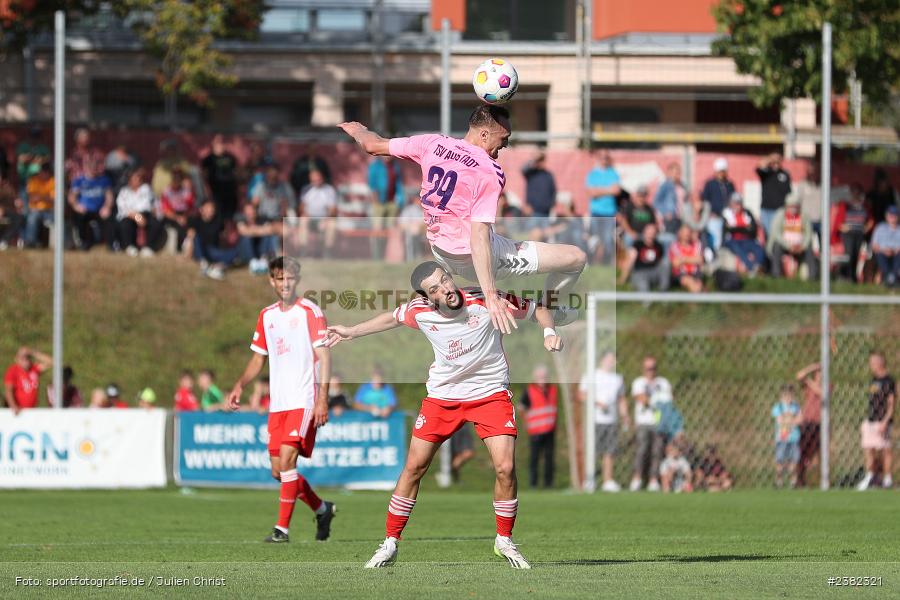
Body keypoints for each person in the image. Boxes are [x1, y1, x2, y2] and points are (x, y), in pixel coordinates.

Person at [325, 261, 564, 569]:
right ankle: (390, 542)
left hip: (490, 393)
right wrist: (351, 331)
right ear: (427, 297)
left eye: (445, 280)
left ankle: (503, 540)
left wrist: (548, 332)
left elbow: (538, 308)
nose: (446, 288)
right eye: (435, 288)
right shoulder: (419, 311)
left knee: (505, 467)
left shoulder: (486, 300)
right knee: (414, 467)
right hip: (443, 397)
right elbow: (392, 317)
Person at [339, 105, 585, 334]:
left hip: (440, 252)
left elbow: (373, 145)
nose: (505, 146)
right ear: (485, 135)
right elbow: (478, 236)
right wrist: (490, 294)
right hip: (474, 258)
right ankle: (548, 309)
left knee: (414, 309)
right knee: (575, 258)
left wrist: (358, 130)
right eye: (504, 139)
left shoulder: (432, 143)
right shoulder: (488, 170)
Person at [226, 256, 336, 542]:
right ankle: (322, 509)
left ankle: (281, 530)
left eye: (289, 278)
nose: (284, 283)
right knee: (279, 471)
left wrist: (322, 398)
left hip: (304, 399)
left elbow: (324, 355)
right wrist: (239, 384)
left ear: (296, 280)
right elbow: (257, 358)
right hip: (278, 404)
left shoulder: (310, 311)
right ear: (271, 281)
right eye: (279, 278)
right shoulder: (267, 315)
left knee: (288, 461)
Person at [578, 351, 630, 493]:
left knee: (609, 451)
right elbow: (582, 395)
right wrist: (597, 403)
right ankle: (589, 479)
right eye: (609, 359)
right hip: (595, 420)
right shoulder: (591, 375)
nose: (611, 362)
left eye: (613, 359)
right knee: (592, 450)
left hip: (611, 420)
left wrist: (625, 415)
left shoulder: (617, 378)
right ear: (602, 360)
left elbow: (621, 399)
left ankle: (608, 480)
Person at [629, 356, 673, 492]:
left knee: (657, 451)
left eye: (653, 368)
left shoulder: (663, 383)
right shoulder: (639, 382)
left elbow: (668, 400)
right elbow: (640, 397)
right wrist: (656, 401)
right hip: (643, 422)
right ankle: (637, 478)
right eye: (648, 368)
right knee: (642, 450)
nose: (650, 371)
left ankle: (654, 480)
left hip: (658, 422)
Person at [857, 351, 895, 491]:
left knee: (885, 450)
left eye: (873, 362)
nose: (871, 365)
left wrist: (885, 421)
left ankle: (887, 479)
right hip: (871, 420)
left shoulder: (888, 381)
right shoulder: (873, 380)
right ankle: (869, 477)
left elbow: (891, 403)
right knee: (868, 449)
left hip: (882, 420)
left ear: (880, 362)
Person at [520, 364, 558, 489]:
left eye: (544, 377)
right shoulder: (529, 390)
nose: (543, 379)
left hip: (550, 429)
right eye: (540, 377)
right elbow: (521, 407)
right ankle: (533, 484)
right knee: (534, 458)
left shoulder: (552, 389)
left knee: (549, 457)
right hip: (536, 430)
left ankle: (549, 483)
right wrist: (527, 422)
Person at [766, 193, 818, 280]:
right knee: (777, 247)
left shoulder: (804, 216)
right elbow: (776, 233)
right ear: (786, 206)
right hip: (785, 245)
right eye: (791, 206)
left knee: (809, 249)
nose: (793, 209)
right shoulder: (780, 215)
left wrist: (802, 246)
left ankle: (812, 276)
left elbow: (808, 233)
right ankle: (776, 275)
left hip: (800, 246)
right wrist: (788, 246)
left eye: (795, 206)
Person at [68, 158, 115, 251]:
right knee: (79, 217)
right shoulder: (79, 180)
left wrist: (107, 207)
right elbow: (72, 197)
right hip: (84, 210)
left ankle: (112, 244)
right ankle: (83, 243)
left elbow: (109, 196)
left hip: (101, 210)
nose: (93, 168)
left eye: (95, 166)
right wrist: (76, 206)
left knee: (114, 219)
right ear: (85, 167)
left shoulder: (104, 180)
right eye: (90, 166)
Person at [185, 200, 238, 281]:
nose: (211, 210)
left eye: (212, 208)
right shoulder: (194, 220)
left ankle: (215, 268)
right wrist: (189, 251)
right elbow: (190, 237)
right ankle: (204, 264)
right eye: (208, 207)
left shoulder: (218, 221)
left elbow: (222, 237)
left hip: (213, 250)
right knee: (197, 237)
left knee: (235, 252)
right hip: (199, 249)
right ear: (201, 210)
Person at [115, 167, 162, 257]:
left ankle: (148, 248)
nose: (139, 180)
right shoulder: (124, 192)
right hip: (130, 216)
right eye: (136, 178)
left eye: (139, 178)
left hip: (145, 214)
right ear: (129, 181)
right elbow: (123, 209)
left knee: (155, 223)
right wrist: (137, 217)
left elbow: (147, 205)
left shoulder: (145, 188)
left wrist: (141, 216)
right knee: (125, 224)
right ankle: (130, 247)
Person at [585, 149, 621, 263]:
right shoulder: (592, 174)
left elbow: (616, 191)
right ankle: (594, 264)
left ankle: (607, 266)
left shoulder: (613, 173)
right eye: (602, 157)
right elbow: (591, 193)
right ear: (598, 158)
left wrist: (599, 190)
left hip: (610, 212)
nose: (604, 159)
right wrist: (608, 189)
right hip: (596, 212)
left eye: (606, 157)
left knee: (607, 240)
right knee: (595, 241)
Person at [832, 183, 874, 282]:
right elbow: (838, 222)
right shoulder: (845, 205)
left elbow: (871, 220)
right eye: (854, 192)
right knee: (849, 253)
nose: (855, 195)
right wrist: (843, 227)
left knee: (856, 254)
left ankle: (853, 276)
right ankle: (845, 275)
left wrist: (865, 228)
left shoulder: (865, 206)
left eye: (858, 192)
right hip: (848, 234)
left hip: (859, 233)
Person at [368, 156, 404, 259]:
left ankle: (386, 256)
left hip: (391, 203)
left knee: (390, 231)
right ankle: (376, 256)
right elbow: (372, 184)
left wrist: (399, 202)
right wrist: (375, 201)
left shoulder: (395, 166)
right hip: (379, 203)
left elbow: (398, 184)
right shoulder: (375, 166)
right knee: (377, 230)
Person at [297, 169, 338, 258]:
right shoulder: (306, 189)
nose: (317, 182)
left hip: (324, 219)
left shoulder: (329, 190)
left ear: (322, 178)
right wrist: (305, 213)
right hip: (310, 219)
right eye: (314, 180)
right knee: (303, 220)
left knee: (332, 224)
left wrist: (326, 218)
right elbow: (301, 208)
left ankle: (328, 252)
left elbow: (333, 210)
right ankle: (303, 251)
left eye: (318, 179)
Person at [722, 192, 765, 275]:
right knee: (738, 249)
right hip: (732, 240)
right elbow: (727, 230)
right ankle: (751, 267)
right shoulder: (726, 214)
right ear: (730, 204)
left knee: (759, 249)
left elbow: (753, 230)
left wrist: (735, 228)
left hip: (747, 239)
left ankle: (758, 266)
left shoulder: (747, 213)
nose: (736, 206)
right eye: (734, 203)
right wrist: (744, 228)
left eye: (738, 203)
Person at [619, 223, 670, 292]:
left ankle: (663, 292)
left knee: (665, 262)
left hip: (654, 273)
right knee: (642, 283)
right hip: (640, 273)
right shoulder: (637, 244)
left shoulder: (659, 245)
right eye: (649, 232)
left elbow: (662, 264)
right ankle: (646, 300)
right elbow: (630, 261)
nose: (651, 234)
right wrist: (622, 279)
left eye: (653, 232)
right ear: (644, 232)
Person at [795, 362, 823, 488]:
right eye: (818, 373)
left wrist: (810, 381)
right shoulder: (808, 384)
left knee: (814, 454)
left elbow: (821, 393)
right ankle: (800, 480)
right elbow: (799, 375)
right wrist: (812, 367)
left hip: (818, 424)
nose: (820, 375)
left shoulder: (826, 385)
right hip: (806, 422)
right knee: (802, 452)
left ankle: (819, 480)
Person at [201, 134, 240, 219]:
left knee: (230, 217)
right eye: (218, 142)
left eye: (222, 142)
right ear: (213, 143)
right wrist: (206, 192)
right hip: (216, 193)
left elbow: (236, 173)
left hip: (230, 193)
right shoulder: (208, 159)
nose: (221, 145)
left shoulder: (231, 158)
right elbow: (204, 176)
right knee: (218, 216)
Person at [4, 346, 52, 413]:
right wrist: (13, 406)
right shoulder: (13, 371)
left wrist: (32, 352)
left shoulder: (34, 369)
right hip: (19, 410)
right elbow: (8, 390)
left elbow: (51, 362)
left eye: (27, 358)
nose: (25, 360)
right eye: (22, 358)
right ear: (16, 359)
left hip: (31, 410)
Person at [235, 202, 278, 275]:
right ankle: (253, 263)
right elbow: (244, 231)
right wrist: (260, 230)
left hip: (259, 249)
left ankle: (264, 260)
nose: (251, 213)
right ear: (244, 212)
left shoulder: (262, 219)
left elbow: (270, 230)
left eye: (252, 210)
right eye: (248, 211)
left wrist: (252, 230)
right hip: (245, 251)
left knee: (269, 236)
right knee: (246, 238)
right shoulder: (240, 219)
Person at [772, 384, 802, 489]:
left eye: (790, 394)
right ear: (782, 396)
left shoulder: (796, 407)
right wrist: (790, 419)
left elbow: (800, 420)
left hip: (793, 439)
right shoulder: (778, 407)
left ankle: (793, 482)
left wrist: (790, 419)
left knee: (794, 460)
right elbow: (780, 421)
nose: (788, 397)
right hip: (782, 439)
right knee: (780, 460)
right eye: (786, 395)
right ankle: (778, 481)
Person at [700, 157, 734, 250]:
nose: (722, 174)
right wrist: (710, 213)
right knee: (716, 242)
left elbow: (733, 199)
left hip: (727, 218)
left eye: (723, 171)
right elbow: (705, 200)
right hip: (715, 217)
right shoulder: (710, 184)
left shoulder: (729, 184)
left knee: (727, 240)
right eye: (720, 171)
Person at [160, 168, 196, 252]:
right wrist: (177, 218)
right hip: (171, 216)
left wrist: (184, 217)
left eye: (179, 178)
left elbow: (191, 208)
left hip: (184, 214)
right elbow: (165, 211)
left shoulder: (186, 191)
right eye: (175, 178)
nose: (176, 180)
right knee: (179, 226)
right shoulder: (166, 192)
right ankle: (180, 247)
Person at [756, 152, 792, 234]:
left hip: (780, 210)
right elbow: (759, 165)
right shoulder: (766, 172)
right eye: (774, 159)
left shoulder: (785, 174)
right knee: (768, 234)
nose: (776, 161)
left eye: (778, 159)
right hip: (766, 210)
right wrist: (770, 158)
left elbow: (789, 193)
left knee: (779, 234)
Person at [521, 153, 556, 232]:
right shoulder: (531, 173)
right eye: (539, 161)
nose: (540, 162)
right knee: (532, 237)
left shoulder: (548, 175)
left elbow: (553, 191)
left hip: (546, 213)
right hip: (533, 212)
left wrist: (552, 205)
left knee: (545, 239)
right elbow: (523, 169)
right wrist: (534, 160)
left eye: (541, 160)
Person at [23, 163, 55, 248]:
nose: (43, 174)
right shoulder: (33, 180)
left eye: (45, 173)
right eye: (41, 172)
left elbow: (54, 199)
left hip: (50, 211)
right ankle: (30, 242)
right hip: (35, 210)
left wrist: (40, 196)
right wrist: (46, 197)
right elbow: (31, 198)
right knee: (32, 218)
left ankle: (58, 243)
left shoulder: (53, 181)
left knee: (58, 219)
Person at [653, 162, 686, 242]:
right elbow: (656, 202)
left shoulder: (682, 186)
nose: (678, 175)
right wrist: (665, 212)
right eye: (675, 172)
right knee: (669, 240)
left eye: (679, 172)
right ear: (669, 173)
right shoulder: (666, 185)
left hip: (680, 218)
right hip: (670, 219)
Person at [668, 224, 705, 293]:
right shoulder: (674, 246)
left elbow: (700, 260)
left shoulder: (696, 245)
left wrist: (683, 259)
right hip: (680, 275)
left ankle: (694, 302)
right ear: (680, 233)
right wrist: (692, 259)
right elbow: (675, 263)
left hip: (695, 273)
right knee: (690, 282)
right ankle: (695, 302)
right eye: (684, 233)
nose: (687, 235)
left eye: (688, 232)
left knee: (698, 285)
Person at [871, 205, 900, 287]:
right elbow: (874, 245)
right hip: (882, 252)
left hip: (896, 252)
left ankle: (892, 278)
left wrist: (895, 250)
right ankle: (888, 278)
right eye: (890, 215)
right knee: (880, 256)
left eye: (894, 215)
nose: (892, 217)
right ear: (886, 216)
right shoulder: (880, 228)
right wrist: (883, 250)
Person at [0, 170, 24, 250]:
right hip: (1, 210)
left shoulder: (7, 187)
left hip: (7, 210)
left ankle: (4, 240)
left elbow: (15, 198)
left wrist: (18, 203)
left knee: (18, 218)